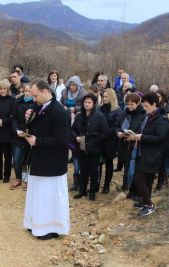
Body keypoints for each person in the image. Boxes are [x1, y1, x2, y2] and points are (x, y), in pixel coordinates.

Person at [23, 79, 70, 240]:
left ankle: (51, 228)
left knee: (49, 197)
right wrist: (28, 118)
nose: (33, 99)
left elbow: (62, 140)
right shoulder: (38, 107)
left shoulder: (59, 112)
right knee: (37, 195)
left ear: (45, 92)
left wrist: (38, 141)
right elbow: (36, 127)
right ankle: (35, 223)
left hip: (52, 163)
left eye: (35, 96)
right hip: (39, 159)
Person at [130, 92, 169, 216]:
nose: (144, 108)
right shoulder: (148, 116)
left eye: (147, 106)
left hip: (153, 154)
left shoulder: (162, 118)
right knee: (147, 179)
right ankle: (144, 200)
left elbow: (162, 137)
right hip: (144, 151)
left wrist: (143, 138)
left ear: (154, 104)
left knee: (139, 179)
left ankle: (149, 204)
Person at [71, 93, 109, 201]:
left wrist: (96, 141)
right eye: (85, 102)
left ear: (94, 104)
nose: (87, 104)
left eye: (89, 102)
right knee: (83, 170)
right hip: (82, 146)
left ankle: (92, 192)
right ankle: (82, 191)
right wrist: (76, 137)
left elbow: (105, 132)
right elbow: (72, 129)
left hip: (94, 148)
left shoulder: (99, 116)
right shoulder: (79, 116)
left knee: (93, 171)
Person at [116, 93, 146, 193]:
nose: (129, 106)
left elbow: (143, 130)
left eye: (132, 104)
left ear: (138, 103)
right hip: (124, 144)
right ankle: (125, 186)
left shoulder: (143, 114)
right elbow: (118, 125)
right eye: (128, 104)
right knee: (126, 166)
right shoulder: (125, 112)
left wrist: (133, 137)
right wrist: (119, 132)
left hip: (135, 146)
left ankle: (132, 189)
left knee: (133, 168)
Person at [99, 88, 122, 194]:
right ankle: (97, 183)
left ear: (111, 97)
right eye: (103, 96)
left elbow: (116, 126)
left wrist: (105, 133)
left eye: (106, 96)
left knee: (109, 163)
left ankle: (106, 185)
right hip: (99, 139)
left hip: (110, 141)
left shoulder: (117, 110)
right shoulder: (99, 109)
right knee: (98, 162)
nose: (104, 98)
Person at [11, 83, 33, 190]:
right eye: (26, 91)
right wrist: (16, 131)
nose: (27, 93)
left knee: (30, 160)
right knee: (17, 159)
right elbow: (14, 118)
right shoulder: (18, 102)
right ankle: (18, 179)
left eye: (29, 91)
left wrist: (29, 131)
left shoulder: (36, 103)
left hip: (31, 136)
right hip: (18, 134)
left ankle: (30, 180)